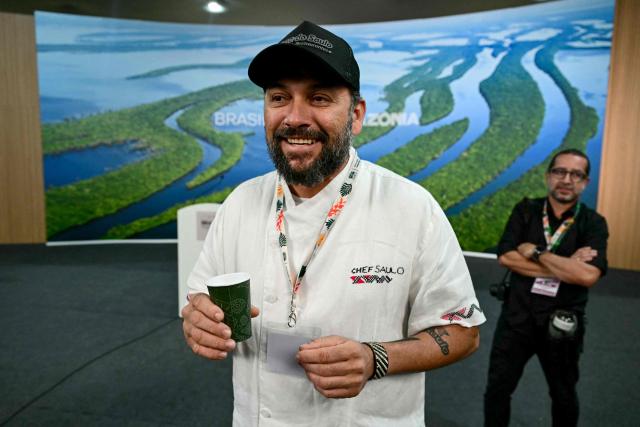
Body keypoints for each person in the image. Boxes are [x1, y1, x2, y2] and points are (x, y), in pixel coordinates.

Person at [182, 21, 485, 426]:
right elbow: (198, 301)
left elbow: (462, 332)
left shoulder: (412, 208)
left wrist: (374, 358)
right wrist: (198, 322)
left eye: (319, 98)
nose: (294, 117)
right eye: (278, 97)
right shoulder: (240, 203)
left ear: (356, 115)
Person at [484, 149, 609, 427]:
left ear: (585, 182)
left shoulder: (594, 223)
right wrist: (568, 266)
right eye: (559, 171)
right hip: (517, 319)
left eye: (576, 174)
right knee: (497, 390)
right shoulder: (526, 210)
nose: (567, 179)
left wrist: (537, 253)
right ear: (548, 176)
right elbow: (506, 257)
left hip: (563, 325)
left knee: (563, 396)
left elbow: (588, 276)